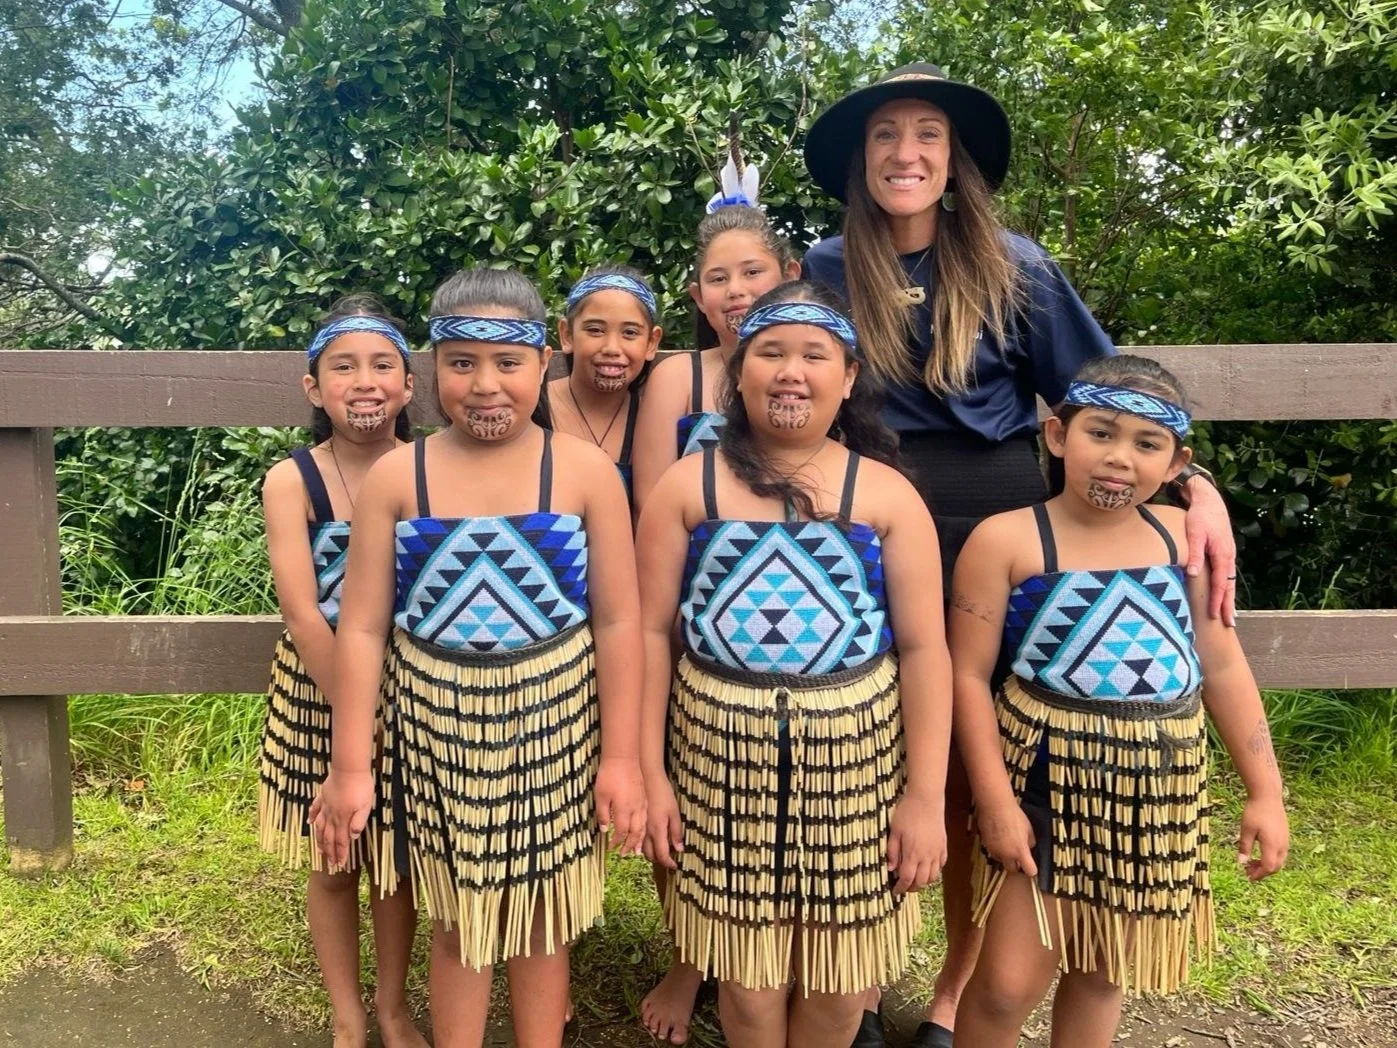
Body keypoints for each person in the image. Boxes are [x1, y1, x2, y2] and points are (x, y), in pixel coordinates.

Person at [799, 62, 1241, 1048]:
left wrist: (1194, 483)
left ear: (954, 160)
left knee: (972, 768)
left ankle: (952, 991)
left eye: (925, 136)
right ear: (859, 160)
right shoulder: (825, 270)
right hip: (866, 529)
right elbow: (787, 386)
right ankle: (863, 977)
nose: (904, 153)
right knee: (872, 753)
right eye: (884, 136)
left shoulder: (1015, 267)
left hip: (993, 529)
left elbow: (1110, 402)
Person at [312, 268, 647, 1048]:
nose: (485, 385)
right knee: (458, 918)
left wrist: (622, 758)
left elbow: (621, 620)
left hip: (556, 730)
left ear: (544, 364)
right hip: (438, 730)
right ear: (433, 373)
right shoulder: (403, 476)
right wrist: (351, 766)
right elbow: (362, 629)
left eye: (507, 363)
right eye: (461, 363)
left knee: (539, 922)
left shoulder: (583, 472)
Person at [636, 281, 953, 1048]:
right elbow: (648, 635)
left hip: (856, 770)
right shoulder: (689, 487)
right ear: (737, 373)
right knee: (747, 989)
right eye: (770, 353)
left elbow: (922, 649)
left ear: (847, 380)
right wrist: (649, 774)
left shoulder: (884, 496)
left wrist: (924, 798)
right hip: (719, 767)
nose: (790, 372)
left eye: (815, 356)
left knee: (840, 989)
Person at [949, 354, 1289, 1047]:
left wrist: (1266, 791)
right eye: (1099, 433)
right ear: (1054, 436)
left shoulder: (1178, 538)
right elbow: (964, 677)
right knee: (1006, 984)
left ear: (1176, 462)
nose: (1118, 458)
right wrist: (994, 802)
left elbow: (1220, 663)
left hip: (1153, 794)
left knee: (1104, 970)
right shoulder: (1008, 540)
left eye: (1145, 443)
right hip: (1043, 786)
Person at [256, 295, 427, 1048]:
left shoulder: (431, 469)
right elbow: (302, 612)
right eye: (343, 367)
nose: (365, 381)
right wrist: (359, 711)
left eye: (383, 365)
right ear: (313, 388)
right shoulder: (292, 482)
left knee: (396, 859)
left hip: (417, 686)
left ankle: (392, 1005)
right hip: (320, 689)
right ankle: (347, 1015)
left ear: (409, 384)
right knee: (333, 858)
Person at [630, 158, 801, 517]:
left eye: (753, 272)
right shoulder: (678, 378)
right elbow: (652, 499)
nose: (736, 290)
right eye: (718, 278)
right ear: (698, 297)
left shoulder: (811, 372)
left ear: (790, 277)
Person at [546, 265, 662, 506]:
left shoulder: (655, 420)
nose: (611, 348)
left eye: (630, 333)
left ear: (652, 342)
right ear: (566, 334)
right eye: (595, 330)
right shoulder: (534, 409)